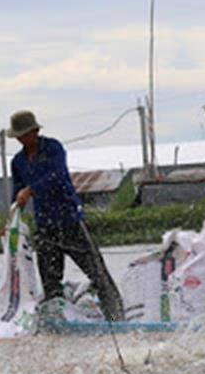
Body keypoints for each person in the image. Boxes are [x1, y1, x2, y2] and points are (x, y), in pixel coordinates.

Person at [7, 110, 125, 322]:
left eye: (25, 135)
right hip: (45, 227)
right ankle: (58, 321)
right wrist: (11, 220)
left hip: (70, 221)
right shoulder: (17, 162)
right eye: (19, 137)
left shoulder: (53, 148)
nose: (22, 139)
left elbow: (57, 176)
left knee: (97, 273)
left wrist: (31, 190)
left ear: (34, 132)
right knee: (50, 281)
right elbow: (17, 193)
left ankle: (117, 318)